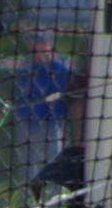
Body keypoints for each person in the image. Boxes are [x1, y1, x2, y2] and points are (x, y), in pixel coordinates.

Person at [13, 30, 70, 187]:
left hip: (51, 123)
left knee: (52, 163)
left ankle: (51, 204)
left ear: (49, 44)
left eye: (41, 42)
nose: (37, 46)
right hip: (27, 121)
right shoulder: (26, 67)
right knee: (27, 165)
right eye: (34, 42)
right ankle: (28, 204)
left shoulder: (60, 68)